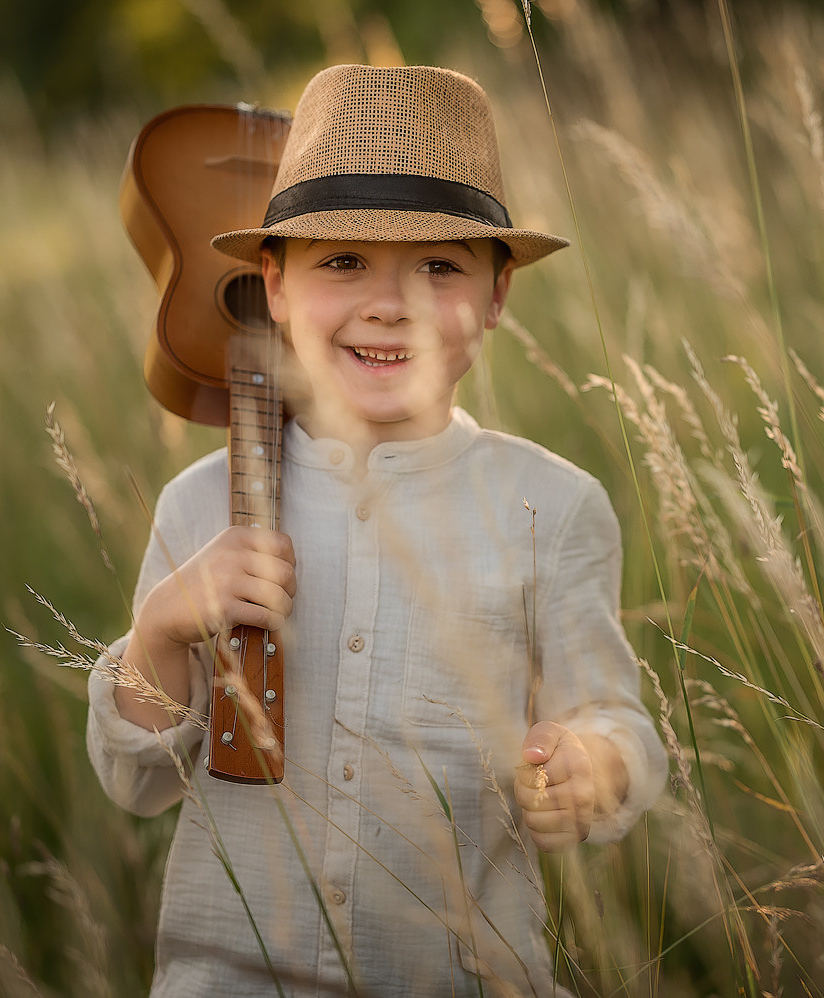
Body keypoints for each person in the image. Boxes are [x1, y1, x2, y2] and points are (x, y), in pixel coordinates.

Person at [87, 63, 666, 996]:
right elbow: (138, 783)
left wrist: (594, 763)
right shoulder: (200, 506)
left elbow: (615, 718)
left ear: (497, 293)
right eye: (341, 261)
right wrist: (158, 628)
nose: (388, 303)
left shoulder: (551, 511)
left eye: (439, 265)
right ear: (272, 284)